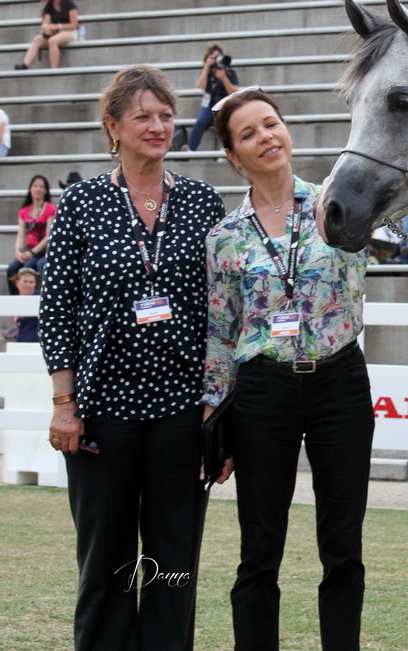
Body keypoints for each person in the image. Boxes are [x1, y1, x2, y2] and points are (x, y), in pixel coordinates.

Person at [39, 64, 225, 650]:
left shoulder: (201, 201)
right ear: (113, 126)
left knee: (174, 561)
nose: (158, 125)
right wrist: (64, 403)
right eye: (143, 115)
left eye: (167, 115)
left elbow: (225, 311)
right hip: (100, 411)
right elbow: (57, 309)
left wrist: (218, 408)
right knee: (106, 561)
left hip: (181, 412)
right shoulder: (82, 202)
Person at [203, 87, 374, 651]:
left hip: (339, 383)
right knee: (259, 551)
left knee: (343, 548)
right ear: (234, 156)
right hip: (263, 393)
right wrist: (213, 413)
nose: (266, 138)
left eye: (271, 124)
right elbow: (221, 333)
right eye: (248, 134)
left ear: (287, 129)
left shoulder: (339, 204)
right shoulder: (225, 238)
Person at [7, 174, 56, 294]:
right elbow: (21, 234)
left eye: (41, 187)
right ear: (30, 189)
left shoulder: (50, 209)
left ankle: (46, 297)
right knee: (12, 268)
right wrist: (18, 251)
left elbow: (48, 235)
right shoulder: (24, 211)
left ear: (45, 191)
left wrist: (33, 252)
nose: (38, 189)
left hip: (43, 251)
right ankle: (15, 302)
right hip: (28, 250)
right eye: (35, 186)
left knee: (40, 265)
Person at [14, 0, 79, 70]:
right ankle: (25, 65)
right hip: (55, 32)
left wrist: (58, 26)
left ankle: (54, 69)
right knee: (37, 40)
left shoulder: (70, 4)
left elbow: (74, 25)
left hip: (69, 32)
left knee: (53, 41)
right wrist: (46, 28)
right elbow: (45, 22)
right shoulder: (49, 5)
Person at [188, 42, 240, 151]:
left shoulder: (229, 72)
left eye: (219, 56)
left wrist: (224, 78)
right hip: (209, 105)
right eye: (214, 57)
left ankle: (227, 150)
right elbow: (201, 86)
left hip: (225, 105)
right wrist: (207, 67)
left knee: (228, 122)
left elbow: (234, 91)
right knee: (200, 121)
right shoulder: (208, 73)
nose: (217, 59)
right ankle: (190, 150)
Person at [4, 268, 42, 343]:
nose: (28, 285)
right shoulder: (14, 301)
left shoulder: (39, 298)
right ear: (17, 283)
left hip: (35, 343)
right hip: (21, 341)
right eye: (25, 282)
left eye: (31, 282)